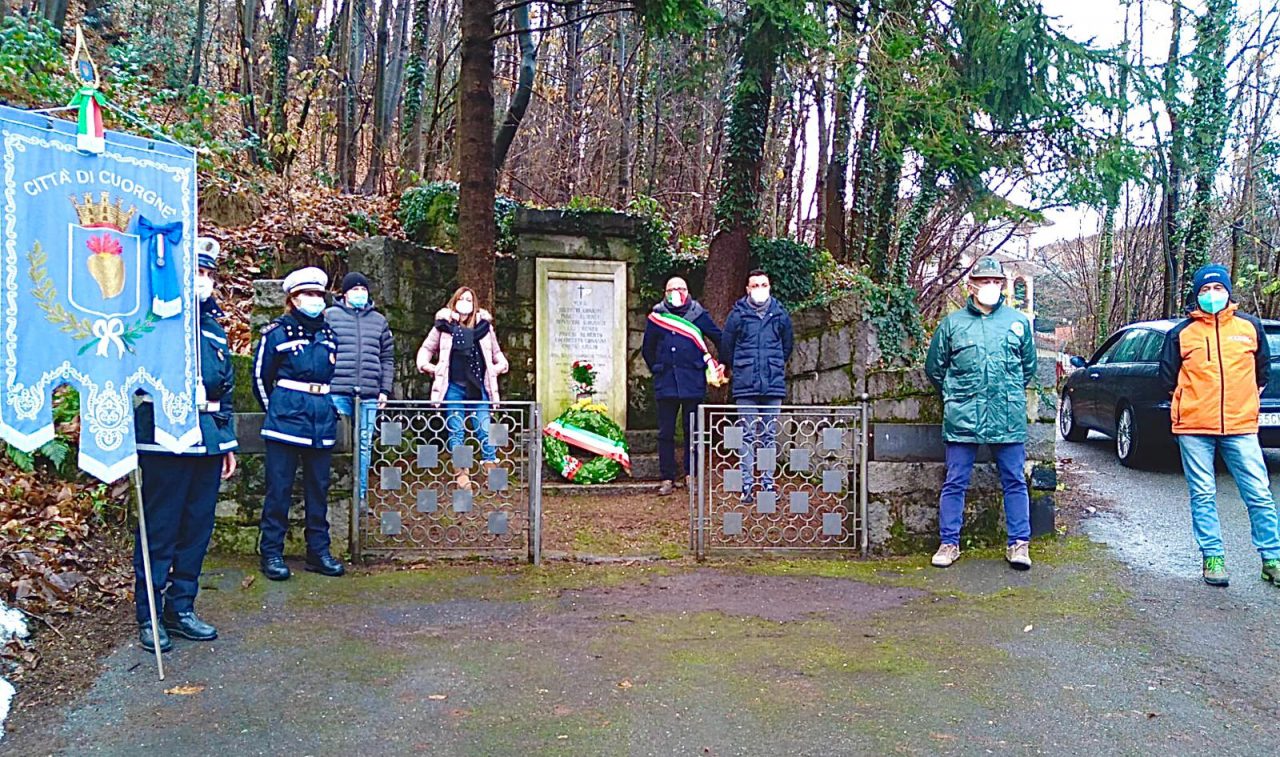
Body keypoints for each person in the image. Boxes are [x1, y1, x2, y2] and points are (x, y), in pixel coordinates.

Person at [131, 237, 238, 652]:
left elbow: (224, 390)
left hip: (206, 439)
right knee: (161, 529)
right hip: (162, 437)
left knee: (196, 529)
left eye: (209, 274)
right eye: (196, 272)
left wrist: (225, 443)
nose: (204, 281)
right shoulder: (154, 319)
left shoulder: (214, 327)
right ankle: (150, 613)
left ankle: (181, 608)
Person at [1158, 263, 1280, 587]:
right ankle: (1213, 557)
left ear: (1228, 292)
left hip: (1241, 427)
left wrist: (1242, 404)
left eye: (1218, 289)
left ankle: (1272, 559)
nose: (1212, 295)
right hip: (1194, 428)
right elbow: (1167, 378)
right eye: (1205, 290)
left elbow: (1262, 375)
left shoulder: (1250, 328)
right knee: (1203, 493)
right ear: (1196, 295)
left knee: (1259, 493)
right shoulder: (1181, 333)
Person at [924, 255, 1036, 570]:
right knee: (955, 479)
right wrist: (954, 395)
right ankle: (949, 543)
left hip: (1006, 416)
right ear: (971, 285)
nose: (990, 286)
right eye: (984, 281)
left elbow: (1028, 367)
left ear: (1002, 285)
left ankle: (1019, 544)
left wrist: (1006, 393)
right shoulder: (953, 324)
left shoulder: (1016, 323)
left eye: (995, 282)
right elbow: (935, 367)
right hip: (962, 416)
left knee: (1014, 479)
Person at [252, 267, 345, 580]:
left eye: (319, 294)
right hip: (286, 421)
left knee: (318, 490)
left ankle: (318, 552)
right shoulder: (277, 333)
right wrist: (276, 411)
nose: (315, 299)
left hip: (321, 419)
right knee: (279, 490)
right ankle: (271, 553)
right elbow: (260, 378)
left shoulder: (328, 334)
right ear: (293, 299)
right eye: (308, 294)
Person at [415, 287, 509, 491]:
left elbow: (496, 352)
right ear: (454, 301)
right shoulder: (443, 327)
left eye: (469, 299)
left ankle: (492, 470)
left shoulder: (485, 328)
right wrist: (428, 366)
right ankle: (462, 474)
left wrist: (499, 366)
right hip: (454, 387)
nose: (465, 302)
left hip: (477, 387)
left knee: (485, 429)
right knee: (456, 430)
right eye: (462, 298)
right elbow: (426, 349)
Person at [642, 276, 724, 495]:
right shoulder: (657, 317)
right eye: (672, 288)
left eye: (681, 288)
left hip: (693, 382)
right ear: (665, 293)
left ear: (688, 291)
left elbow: (719, 338)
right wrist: (658, 368)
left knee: (693, 431)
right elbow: (647, 349)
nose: (677, 291)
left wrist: (721, 365)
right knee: (666, 433)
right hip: (666, 382)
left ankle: (691, 475)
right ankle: (667, 477)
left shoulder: (699, 314)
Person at [721, 270, 794, 503]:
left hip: (772, 385)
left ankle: (768, 485)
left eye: (764, 284)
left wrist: (773, 365)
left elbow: (787, 346)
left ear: (770, 286)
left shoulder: (780, 314)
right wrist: (741, 367)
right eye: (755, 285)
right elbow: (727, 346)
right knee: (748, 436)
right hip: (746, 386)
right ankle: (746, 486)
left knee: (769, 436)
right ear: (747, 289)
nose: (759, 288)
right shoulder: (738, 315)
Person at [325, 271, 395, 498]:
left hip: (369, 393)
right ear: (344, 293)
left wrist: (384, 389)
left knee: (364, 445)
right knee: (337, 443)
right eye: (354, 289)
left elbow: (387, 358)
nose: (359, 293)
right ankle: (337, 496)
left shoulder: (379, 321)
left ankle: (360, 497)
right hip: (337, 391)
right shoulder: (330, 316)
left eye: (363, 289)